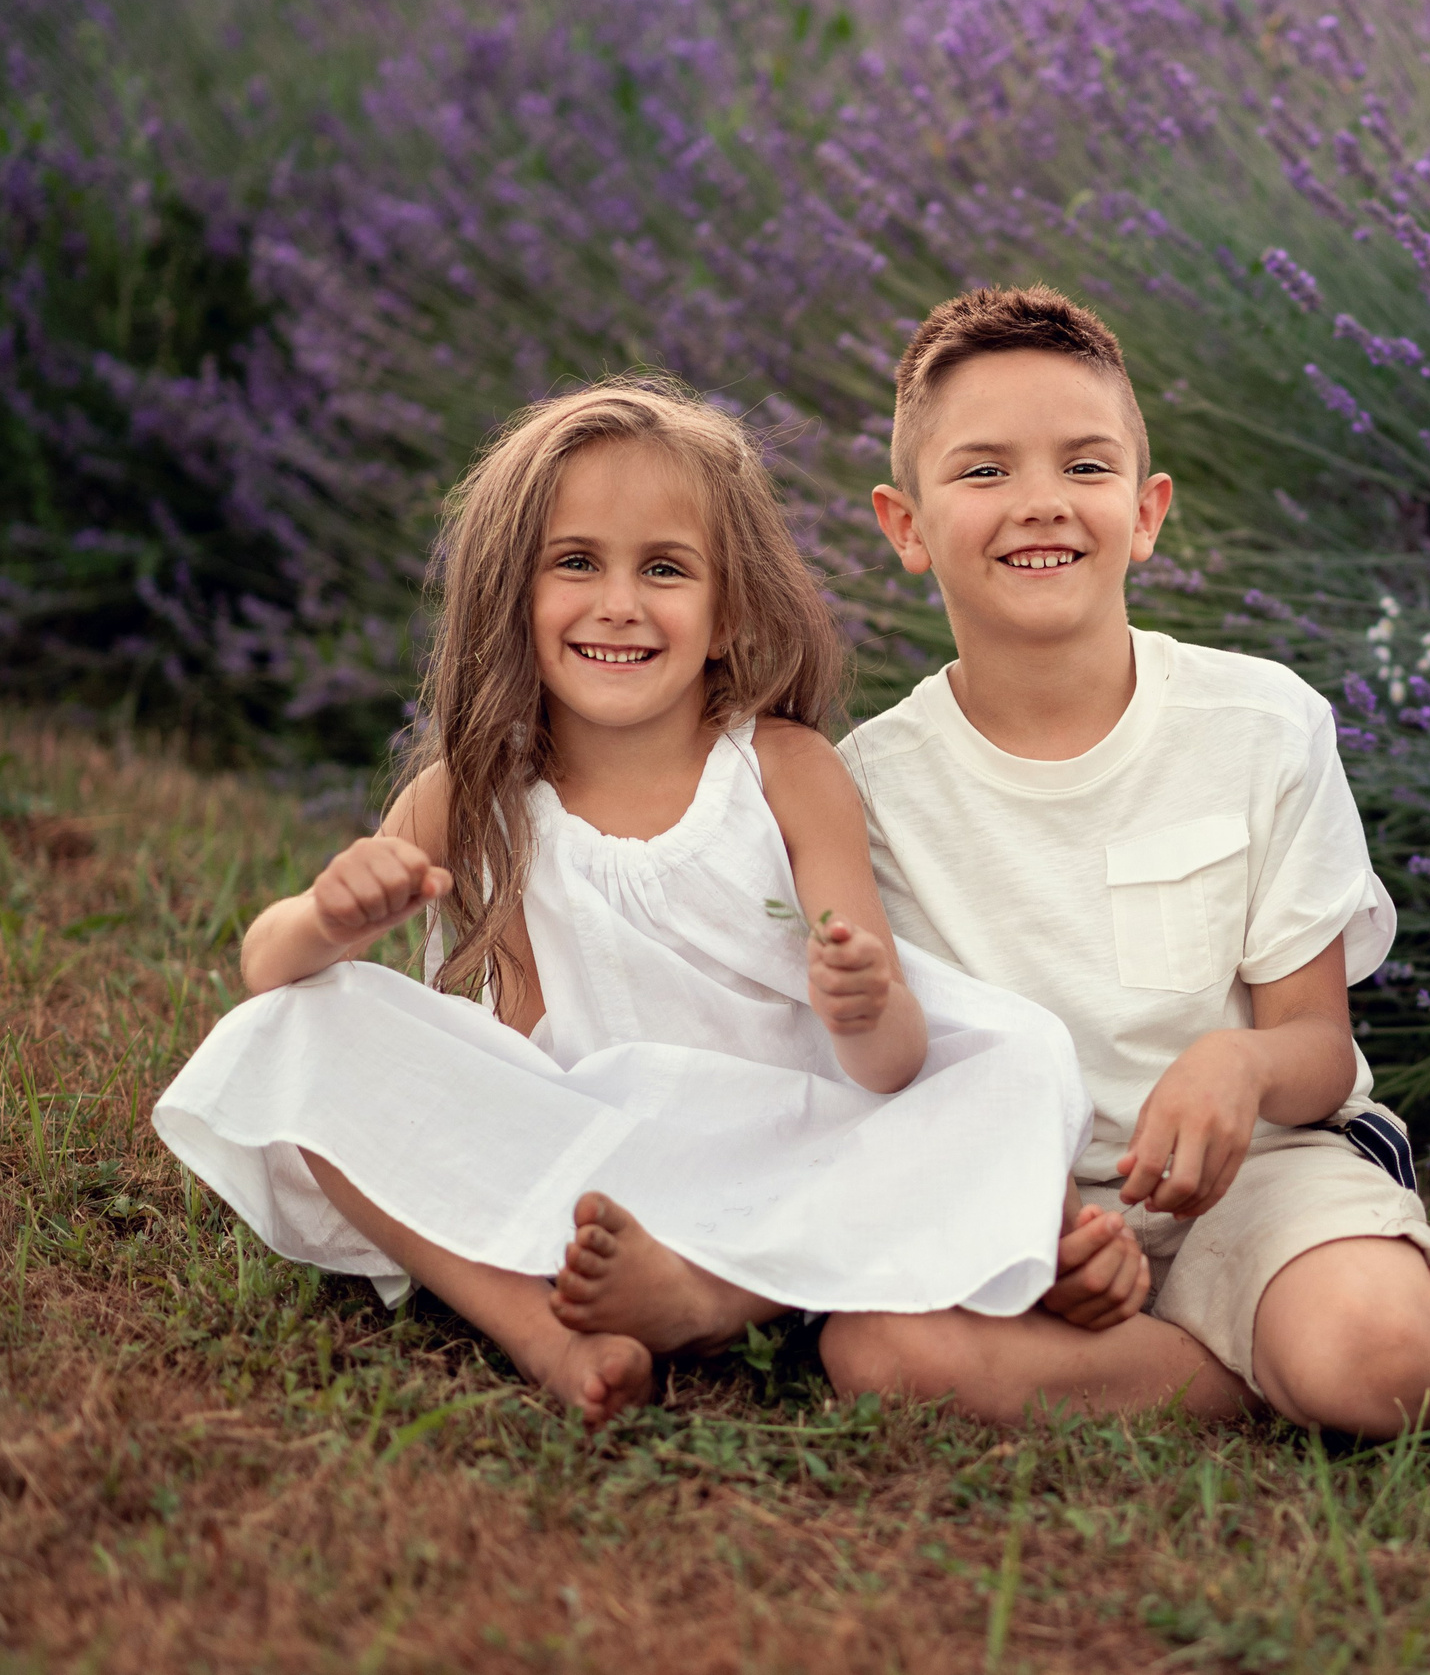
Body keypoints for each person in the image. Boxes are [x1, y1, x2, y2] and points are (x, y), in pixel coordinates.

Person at [154, 377, 1111, 1430]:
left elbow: (885, 1060)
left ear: (725, 612)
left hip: (778, 1156)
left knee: (1010, 1064)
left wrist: (862, 1002)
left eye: (664, 568)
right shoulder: (472, 794)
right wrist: (330, 920)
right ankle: (542, 1328)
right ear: (513, 597)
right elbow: (265, 966)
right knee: (299, 1027)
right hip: (576, 1160)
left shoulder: (785, 769)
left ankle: (715, 1299)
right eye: (576, 563)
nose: (619, 601)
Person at [824, 285, 1430, 1436]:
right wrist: (1038, 1244)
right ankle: (1245, 1367)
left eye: (1084, 467)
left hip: (1264, 1170)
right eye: (983, 472)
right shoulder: (868, 789)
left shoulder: (1258, 723)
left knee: (1385, 1361)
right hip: (1029, 1209)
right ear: (905, 524)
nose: (1040, 503)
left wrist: (1237, 1065)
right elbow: (900, 1086)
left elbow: (1317, 1048)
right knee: (878, 1351)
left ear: (1145, 512)